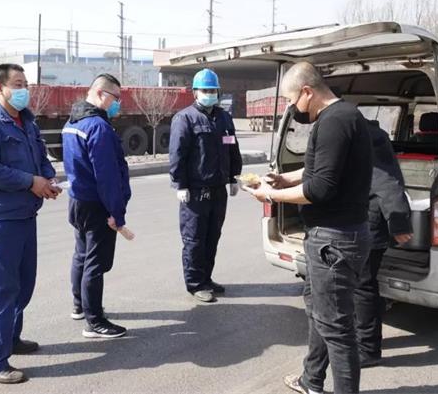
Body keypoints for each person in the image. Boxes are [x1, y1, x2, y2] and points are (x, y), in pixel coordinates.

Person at [242, 61, 372, 394]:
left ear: (307, 91)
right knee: (319, 312)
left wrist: (270, 194)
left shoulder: (334, 122)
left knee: (337, 329)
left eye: (291, 100)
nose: (291, 108)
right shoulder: (343, 116)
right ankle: (311, 380)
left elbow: (320, 188)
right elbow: (321, 167)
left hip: (334, 241)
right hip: (333, 237)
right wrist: (285, 178)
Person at [0, 63, 60, 384]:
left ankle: (11, 339)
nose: (24, 90)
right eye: (17, 84)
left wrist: (47, 178)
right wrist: (30, 181)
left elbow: (40, 158)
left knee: (22, 286)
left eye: (25, 84)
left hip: (24, 215)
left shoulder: (27, 122)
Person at [62, 73, 134, 339]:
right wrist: (117, 213)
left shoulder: (72, 122)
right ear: (101, 93)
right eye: (116, 98)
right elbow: (107, 177)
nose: (118, 104)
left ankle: (80, 305)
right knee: (95, 262)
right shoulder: (99, 127)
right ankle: (94, 321)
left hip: (78, 201)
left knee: (82, 255)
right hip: (97, 204)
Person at [169, 68, 242, 303]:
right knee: (194, 240)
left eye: (213, 90)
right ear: (195, 92)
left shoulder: (224, 118)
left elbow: (232, 147)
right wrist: (180, 184)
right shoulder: (185, 118)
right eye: (205, 90)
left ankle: (206, 278)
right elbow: (177, 154)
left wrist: (234, 176)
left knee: (212, 237)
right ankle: (195, 283)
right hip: (195, 192)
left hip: (218, 190)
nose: (210, 94)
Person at [355, 120, 412, 368]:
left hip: (369, 223)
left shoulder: (368, 136)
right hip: (354, 221)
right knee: (361, 287)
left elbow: (387, 182)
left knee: (363, 287)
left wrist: (399, 223)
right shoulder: (348, 130)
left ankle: (368, 350)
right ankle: (363, 338)